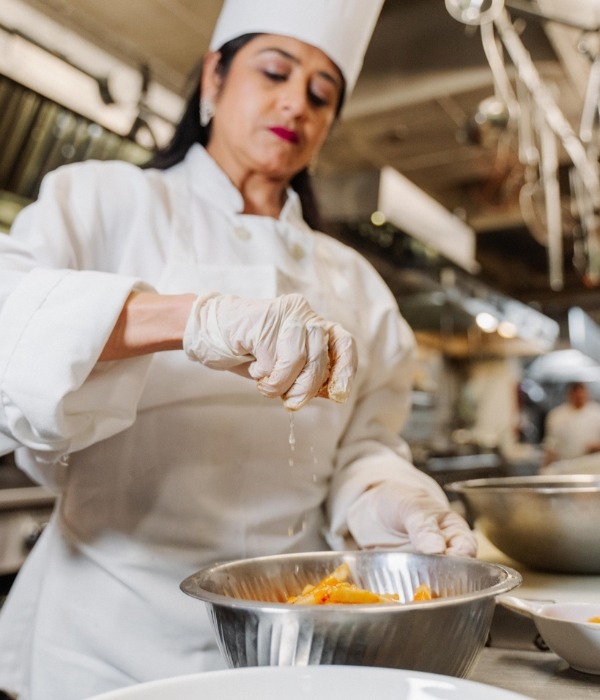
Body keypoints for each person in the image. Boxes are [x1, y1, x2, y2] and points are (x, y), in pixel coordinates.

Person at [0, 1, 477, 697]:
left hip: (290, 637)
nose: (297, 104)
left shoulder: (354, 282)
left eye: (321, 94)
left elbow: (362, 445)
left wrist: (389, 500)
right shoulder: (104, 202)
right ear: (214, 77)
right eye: (276, 72)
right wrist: (198, 319)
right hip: (103, 641)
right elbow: (10, 319)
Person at [543, 381, 600, 466]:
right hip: (565, 465)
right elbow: (551, 445)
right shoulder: (557, 415)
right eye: (576, 393)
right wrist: (546, 466)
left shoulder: (597, 412)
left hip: (592, 465)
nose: (579, 396)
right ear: (570, 394)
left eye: (582, 393)